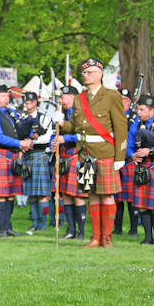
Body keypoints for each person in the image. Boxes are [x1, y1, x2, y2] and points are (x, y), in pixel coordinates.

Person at [58, 58, 127, 248]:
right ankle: (95, 237)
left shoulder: (112, 96)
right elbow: (74, 127)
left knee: (107, 195)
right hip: (85, 154)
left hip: (106, 152)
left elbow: (121, 127)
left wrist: (120, 157)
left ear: (99, 74)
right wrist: (62, 123)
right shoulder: (80, 98)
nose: (85, 75)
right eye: (84, 73)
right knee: (93, 195)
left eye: (89, 73)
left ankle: (107, 237)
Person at [0, 85, 33, 237]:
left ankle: (8, 227)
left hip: (12, 156)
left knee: (11, 194)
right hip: (1, 155)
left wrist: (25, 140)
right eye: (2, 96)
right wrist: (20, 144)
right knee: (2, 194)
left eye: (7, 96)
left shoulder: (10, 113)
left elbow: (16, 131)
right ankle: (1, 229)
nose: (6, 98)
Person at [51, 85, 88, 239]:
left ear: (73, 98)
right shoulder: (62, 113)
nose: (61, 100)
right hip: (65, 156)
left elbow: (83, 134)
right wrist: (52, 144)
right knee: (66, 194)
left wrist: (64, 138)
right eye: (61, 97)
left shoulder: (80, 113)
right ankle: (70, 230)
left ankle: (81, 232)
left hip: (77, 155)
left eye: (64, 97)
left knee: (78, 195)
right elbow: (54, 134)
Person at [17, 92, 53, 233]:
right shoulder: (22, 118)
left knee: (43, 193)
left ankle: (43, 224)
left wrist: (31, 141)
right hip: (27, 156)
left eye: (30, 102)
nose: (27, 105)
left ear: (35, 103)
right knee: (31, 192)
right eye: (26, 103)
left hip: (39, 155)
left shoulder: (44, 117)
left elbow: (48, 137)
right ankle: (35, 222)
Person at [127, 94, 154, 244]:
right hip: (141, 168)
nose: (138, 112)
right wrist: (132, 155)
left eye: (142, 109)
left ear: (151, 110)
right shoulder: (135, 125)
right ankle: (147, 238)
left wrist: (151, 151)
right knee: (143, 205)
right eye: (138, 109)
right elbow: (128, 145)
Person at [114, 87, 139, 236]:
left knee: (131, 198)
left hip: (129, 160)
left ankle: (134, 229)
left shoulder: (135, 118)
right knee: (117, 197)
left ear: (130, 102)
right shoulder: (111, 117)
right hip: (115, 158)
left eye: (124, 100)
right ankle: (117, 228)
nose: (121, 102)